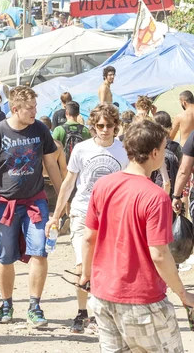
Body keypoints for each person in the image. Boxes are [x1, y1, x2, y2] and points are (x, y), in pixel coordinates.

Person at [82, 119, 194, 351]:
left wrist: (85, 276)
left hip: (104, 296)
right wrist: (184, 295)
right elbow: (160, 255)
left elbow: (88, 237)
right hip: (142, 300)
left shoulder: (103, 185)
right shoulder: (156, 197)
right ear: (154, 152)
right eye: (163, 149)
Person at [0, 86, 62, 327]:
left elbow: (51, 165)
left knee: (40, 251)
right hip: (3, 204)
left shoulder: (40, 129)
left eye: (35, 107)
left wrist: (64, 199)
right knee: (6, 256)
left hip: (35, 201)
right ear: (15, 109)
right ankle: (6, 303)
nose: (35, 112)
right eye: (30, 108)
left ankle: (35, 306)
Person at [45, 104, 128, 334]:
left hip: (113, 217)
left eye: (109, 125)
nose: (104, 130)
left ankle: (100, 312)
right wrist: (56, 215)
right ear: (92, 126)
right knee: (83, 264)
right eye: (100, 125)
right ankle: (84, 313)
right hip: (83, 213)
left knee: (107, 267)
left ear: (116, 127)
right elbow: (69, 183)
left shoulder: (124, 151)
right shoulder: (82, 149)